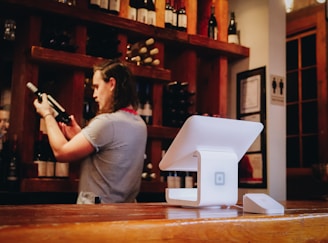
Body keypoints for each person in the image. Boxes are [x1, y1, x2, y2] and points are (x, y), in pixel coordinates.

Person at [33, 59, 147, 203]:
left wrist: (47, 114)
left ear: (111, 84)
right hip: (124, 216)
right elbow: (109, 157)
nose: (94, 94)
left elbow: (61, 152)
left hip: (96, 215)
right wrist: (81, 136)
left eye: (97, 87)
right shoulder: (139, 124)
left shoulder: (107, 122)